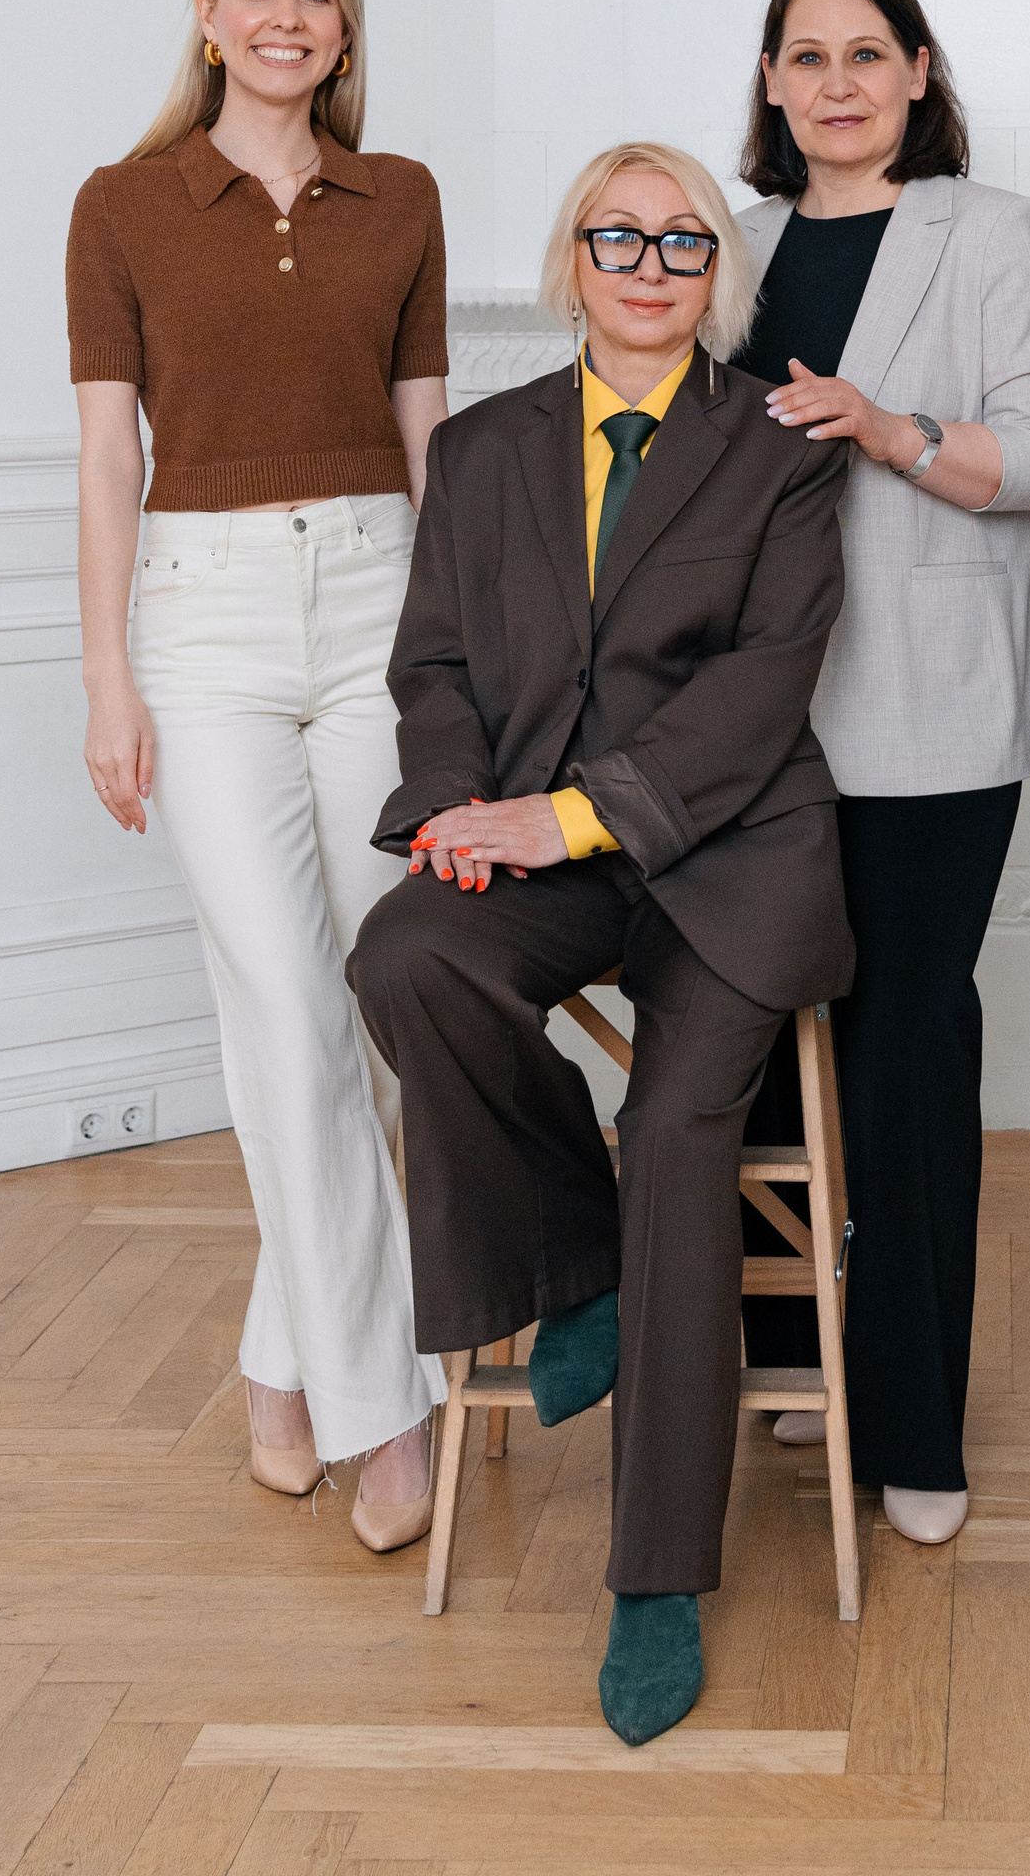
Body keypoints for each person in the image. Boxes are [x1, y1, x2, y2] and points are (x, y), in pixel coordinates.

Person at [345, 142, 852, 1746]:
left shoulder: (776, 448)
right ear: (572, 261)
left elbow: (763, 688)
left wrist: (564, 821)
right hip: (531, 838)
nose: (649, 265)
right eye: (617, 238)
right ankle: (582, 1268)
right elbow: (434, 665)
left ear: (719, 277)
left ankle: (657, 1578)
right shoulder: (482, 449)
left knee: (683, 1138)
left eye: (684, 242)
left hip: (728, 855)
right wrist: (453, 810)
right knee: (405, 956)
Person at [67, 0, 450, 1551]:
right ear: (210, 15)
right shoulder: (122, 204)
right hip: (202, 617)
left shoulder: (401, 198)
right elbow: (109, 458)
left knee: (366, 1001)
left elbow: (430, 441)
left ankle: (280, 1363)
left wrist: (459, 662)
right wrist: (109, 680)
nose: (288, 16)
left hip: (378, 606)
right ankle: (390, 1413)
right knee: (285, 1003)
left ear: (344, 29)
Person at [732, 0, 1030, 1547]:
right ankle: (788, 1363)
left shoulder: (994, 232)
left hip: (934, 709)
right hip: (752, 716)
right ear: (770, 85)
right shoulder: (732, 244)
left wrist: (889, 429)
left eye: (867, 52)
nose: (837, 83)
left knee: (902, 1049)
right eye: (806, 56)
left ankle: (914, 1424)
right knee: (747, 1037)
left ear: (920, 72)